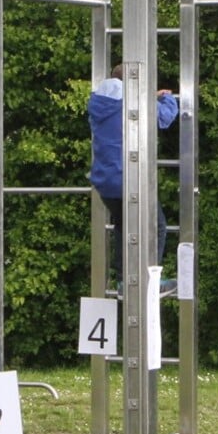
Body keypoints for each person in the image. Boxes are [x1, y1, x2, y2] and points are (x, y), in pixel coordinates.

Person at [88, 68, 179, 288]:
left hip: (104, 182)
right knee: (156, 226)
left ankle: (122, 281)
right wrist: (166, 97)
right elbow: (164, 117)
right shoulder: (132, 104)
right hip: (129, 178)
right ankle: (148, 281)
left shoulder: (98, 102)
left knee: (122, 225)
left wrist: (148, 97)